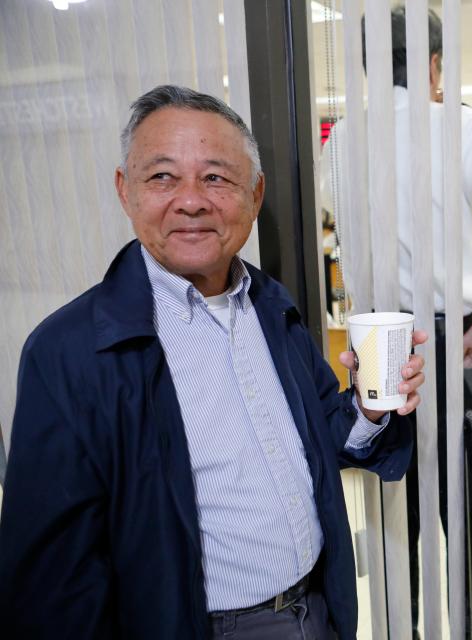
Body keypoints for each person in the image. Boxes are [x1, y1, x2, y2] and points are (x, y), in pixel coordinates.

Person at [0, 85, 427, 639]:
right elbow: (53, 577)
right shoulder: (71, 350)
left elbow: (320, 436)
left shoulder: (273, 306)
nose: (191, 200)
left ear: (255, 194)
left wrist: (370, 411)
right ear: (124, 191)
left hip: (314, 610)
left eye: (216, 177)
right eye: (162, 177)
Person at [319, 8, 472, 637]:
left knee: (395, 501)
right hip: (449, 338)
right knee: (469, 508)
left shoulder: (340, 142)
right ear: (435, 65)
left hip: (377, 342)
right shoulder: (458, 125)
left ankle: (404, 629)